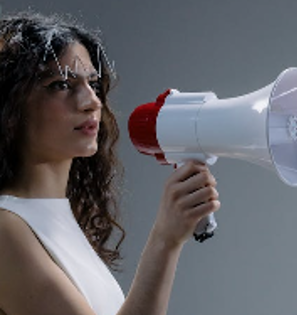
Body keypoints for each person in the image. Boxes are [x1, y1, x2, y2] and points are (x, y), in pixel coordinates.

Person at [0, 11, 220, 315]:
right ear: (10, 106)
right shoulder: (5, 228)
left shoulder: (54, 218)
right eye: (61, 85)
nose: (91, 101)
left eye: (92, 82)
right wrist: (165, 239)